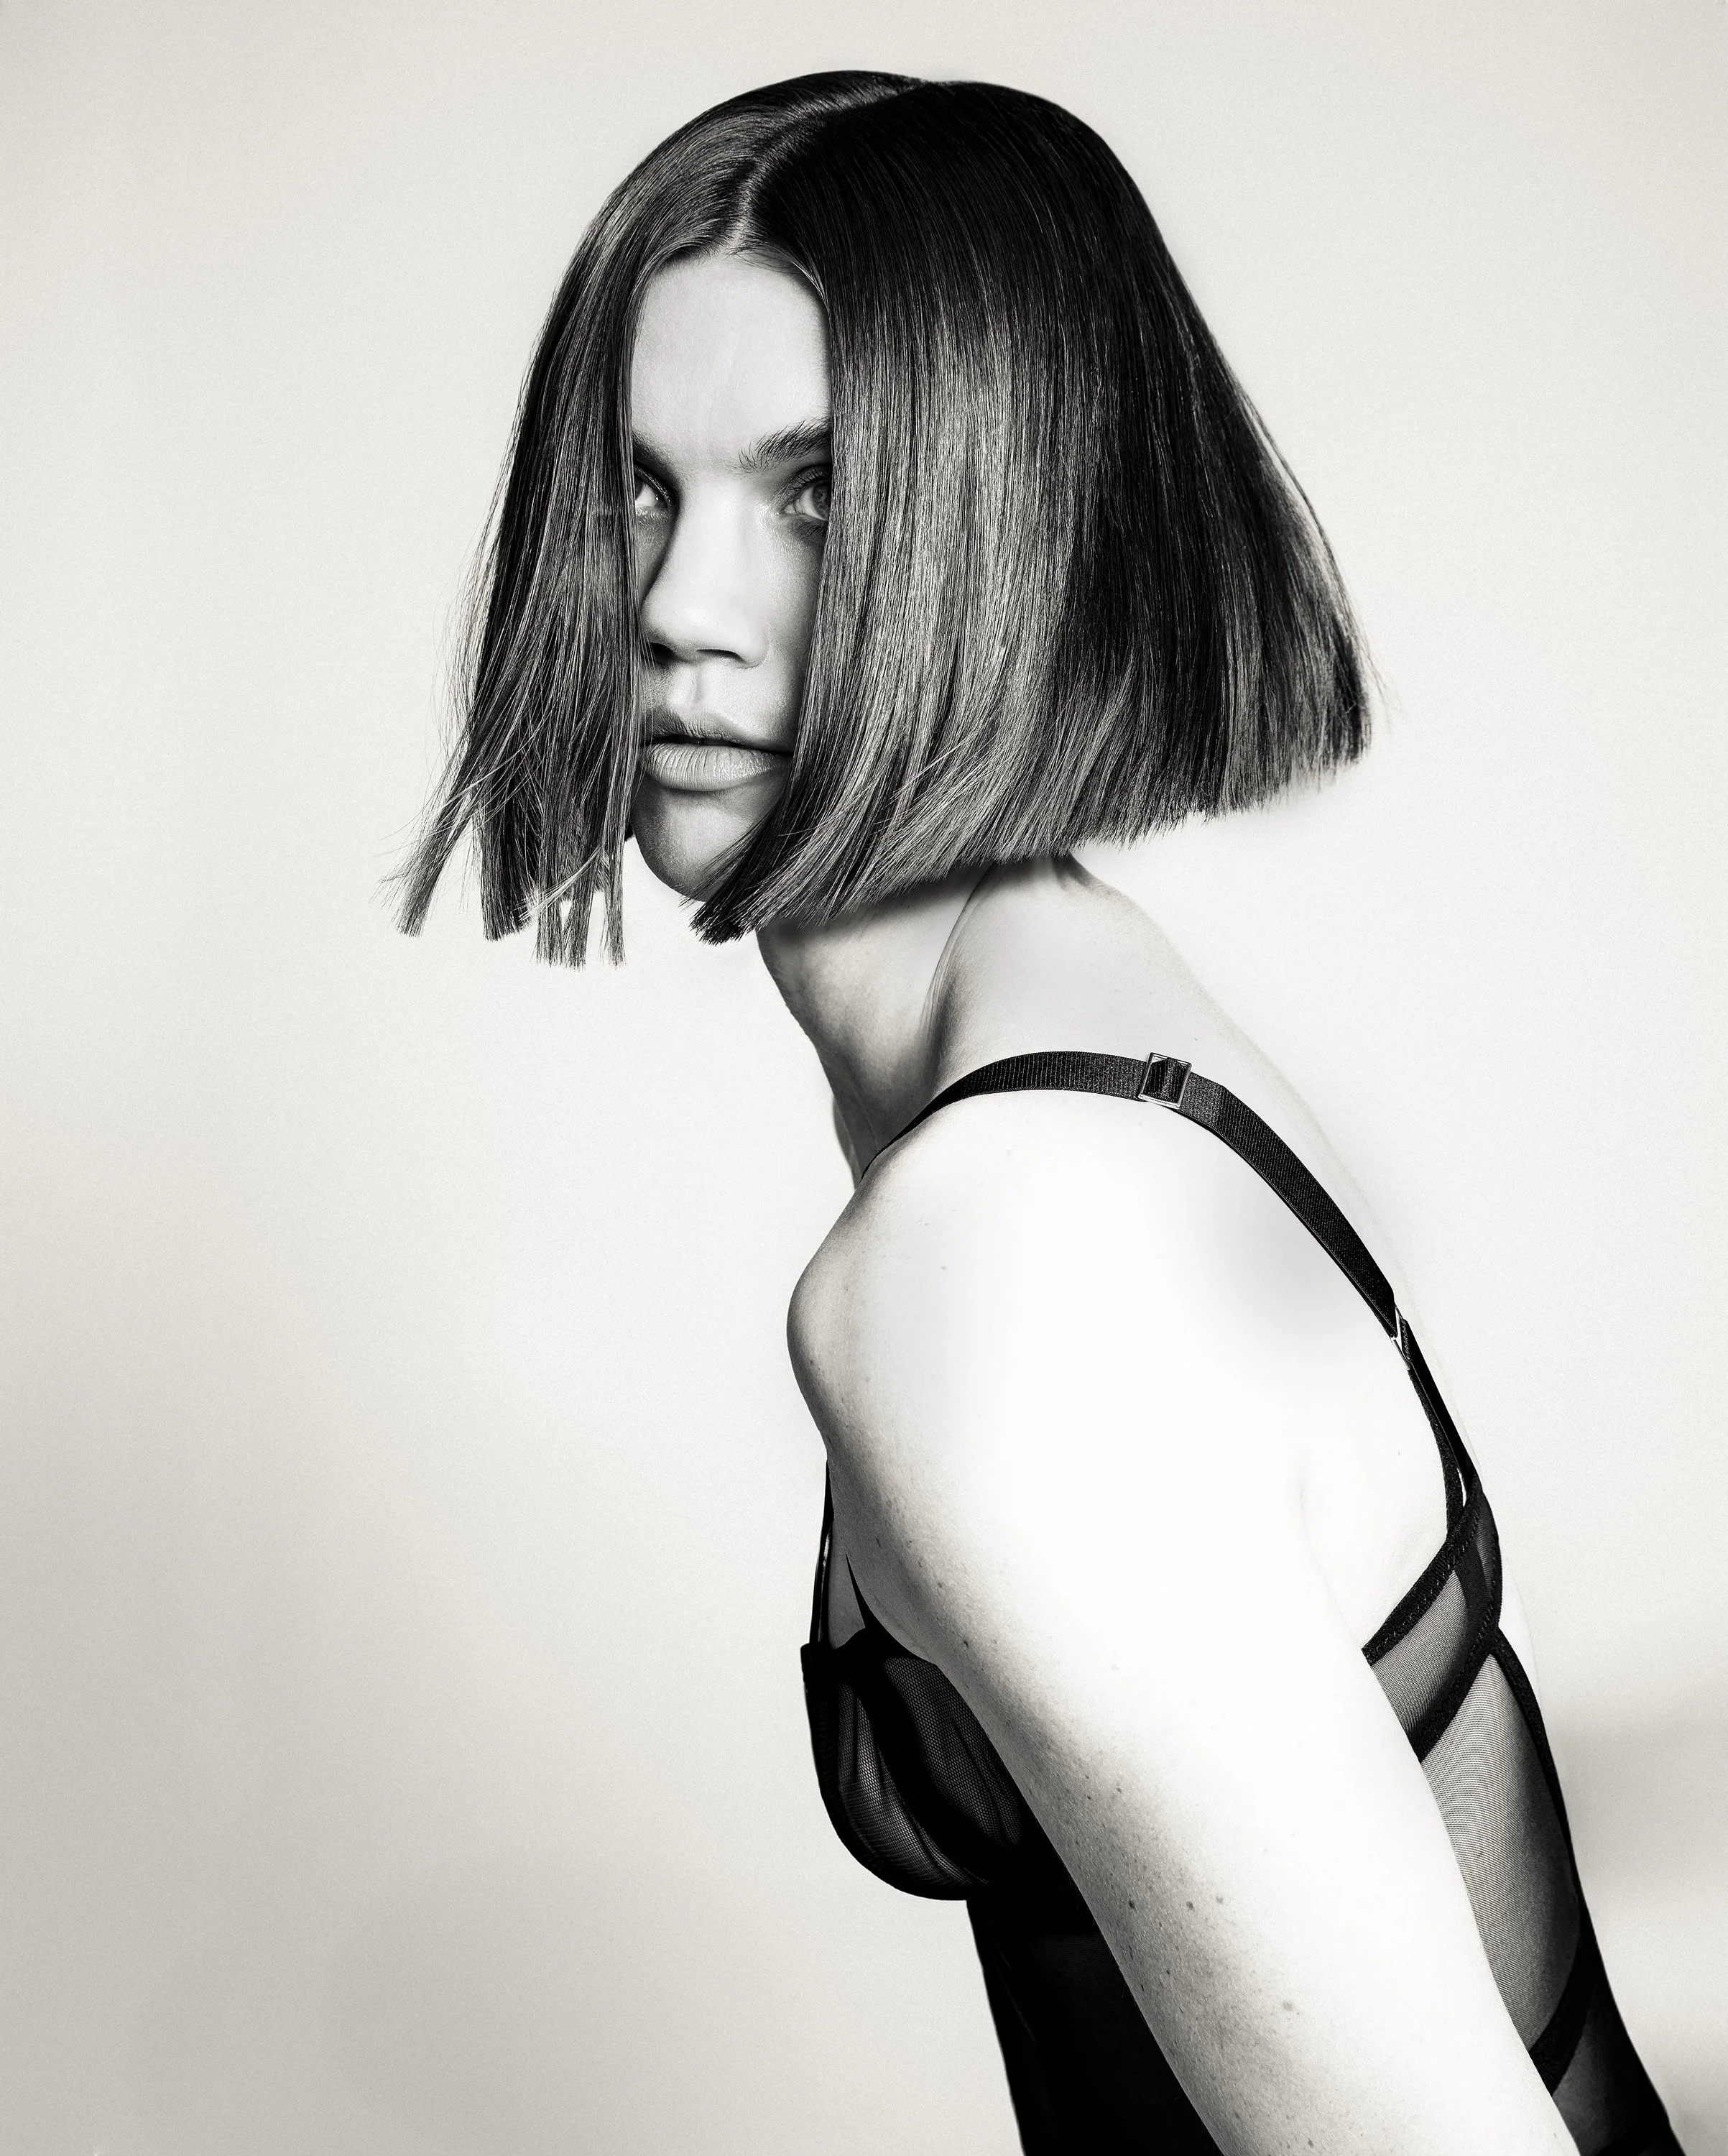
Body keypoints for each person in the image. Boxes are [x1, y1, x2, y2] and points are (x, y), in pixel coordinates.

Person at [399, 71, 1680, 2156]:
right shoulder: (1085, 1034)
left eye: (813, 499)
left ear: (1025, 530)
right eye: (636, 491)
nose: (675, 610)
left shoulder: (1006, 1247)